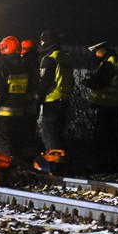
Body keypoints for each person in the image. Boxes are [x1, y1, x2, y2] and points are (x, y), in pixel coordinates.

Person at [0, 36, 38, 160]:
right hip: (20, 114)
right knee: (17, 144)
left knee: (5, 147)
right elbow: (30, 91)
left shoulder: (2, 68)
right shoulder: (26, 67)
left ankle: (7, 172)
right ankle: (20, 170)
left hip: (3, 115)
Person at [82, 41, 118, 173]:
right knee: (113, 137)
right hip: (115, 106)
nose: (95, 55)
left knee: (102, 138)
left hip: (107, 106)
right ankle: (114, 165)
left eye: (96, 52)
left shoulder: (108, 63)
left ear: (102, 50)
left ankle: (102, 165)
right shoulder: (114, 61)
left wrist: (87, 82)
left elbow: (100, 82)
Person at [35, 31, 75, 174]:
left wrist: (37, 99)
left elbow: (44, 82)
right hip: (65, 100)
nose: (40, 44)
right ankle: (64, 165)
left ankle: (54, 167)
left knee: (50, 134)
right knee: (59, 134)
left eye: (42, 41)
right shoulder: (65, 58)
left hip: (52, 101)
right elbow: (72, 81)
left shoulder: (49, 59)